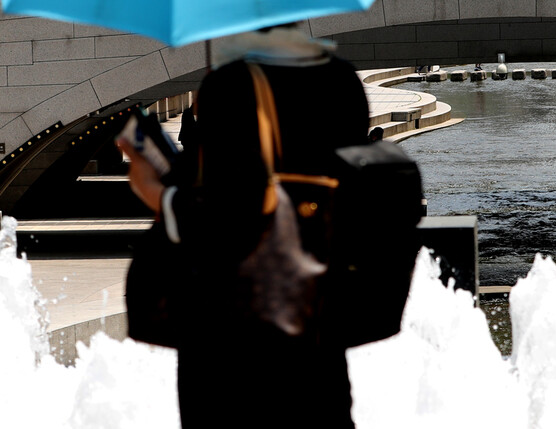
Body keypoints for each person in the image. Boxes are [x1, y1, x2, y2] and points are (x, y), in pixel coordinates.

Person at [119, 24, 369, 428]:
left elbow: (227, 212)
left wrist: (153, 188)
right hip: (316, 313)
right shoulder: (342, 79)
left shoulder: (232, 85)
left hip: (231, 333)